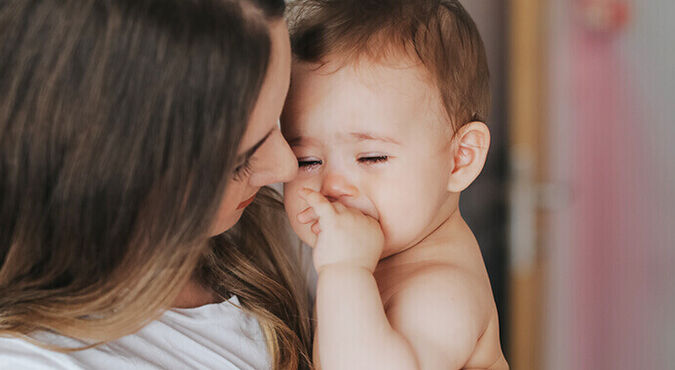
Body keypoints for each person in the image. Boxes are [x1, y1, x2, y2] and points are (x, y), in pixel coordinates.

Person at [0, 0, 312, 369]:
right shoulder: (34, 358)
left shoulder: (270, 217)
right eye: (239, 161)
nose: (287, 167)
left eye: (277, 119)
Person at [281, 0, 509, 368]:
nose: (333, 185)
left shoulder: (443, 291)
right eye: (306, 160)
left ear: (460, 158)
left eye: (372, 157)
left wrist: (344, 269)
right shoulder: (383, 259)